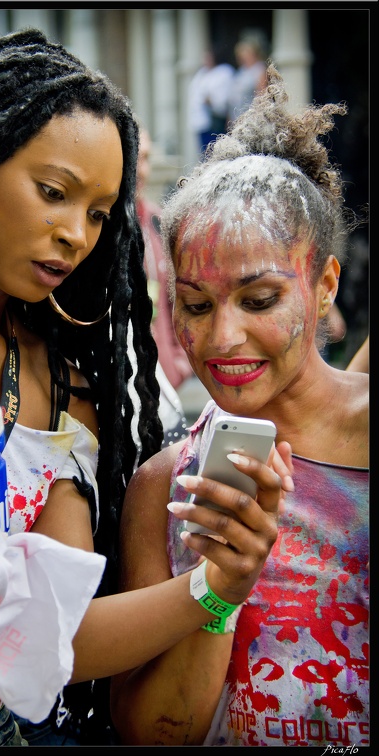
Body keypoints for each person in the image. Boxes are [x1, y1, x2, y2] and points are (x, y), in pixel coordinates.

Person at [0, 30, 292, 747]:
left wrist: (218, 584)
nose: (77, 234)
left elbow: (55, 640)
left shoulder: (66, 390)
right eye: (53, 193)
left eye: (99, 213)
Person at [110, 65, 369, 746]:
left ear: (322, 287)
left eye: (258, 300)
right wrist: (220, 587)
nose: (221, 339)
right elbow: (156, 733)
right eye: (195, 305)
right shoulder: (165, 486)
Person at [134, 127, 192, 447]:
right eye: (135, 157)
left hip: (165, 387)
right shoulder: (95, 226)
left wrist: (179, 364)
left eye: (146, 158)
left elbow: (182, 297)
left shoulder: (160, 221)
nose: (141, 169)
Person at [187, 50, 234, 156]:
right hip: (201, 122)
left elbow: (221, 99)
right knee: (205, 152)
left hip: (214, 121)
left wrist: (210, 101)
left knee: (214, 152)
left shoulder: (223, 72)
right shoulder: (201, 74)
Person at [227, 34, 268, 125]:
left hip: (251, 119)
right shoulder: (241, 71)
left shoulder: (259, 69)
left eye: (246, 54)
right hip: (236, 118)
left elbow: (261, 95)